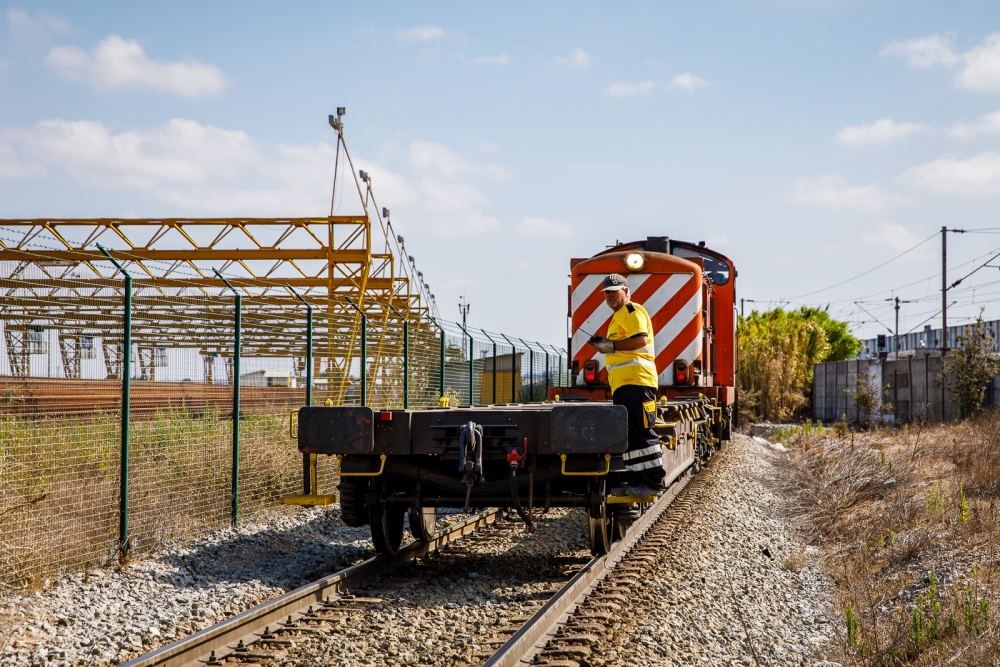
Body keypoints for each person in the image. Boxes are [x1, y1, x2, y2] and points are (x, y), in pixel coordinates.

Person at [588, 273, 666, 497]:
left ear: (626, 292)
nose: (610, 296)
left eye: (614, 292)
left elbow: (640, 340)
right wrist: (606, 344)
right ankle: (636, 481)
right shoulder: (619, 317)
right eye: (607, 293)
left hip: (638, 381)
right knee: (631, 434)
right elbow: (623, 344)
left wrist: (610, 345)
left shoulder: (632, 311)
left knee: (642, 432)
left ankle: (652, 482)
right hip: (625, 384)